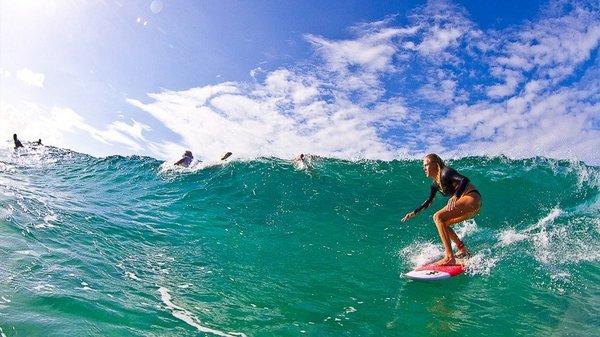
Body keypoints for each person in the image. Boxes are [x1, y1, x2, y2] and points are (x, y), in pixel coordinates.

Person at [401, 153, 482, 266]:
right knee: (444, 223)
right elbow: (429, 201)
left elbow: (464, 180)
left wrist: (455, 196)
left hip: (471, 198)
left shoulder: (446, 172)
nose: (424, 168)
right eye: (423, 166)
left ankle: (449, 257)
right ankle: (462, 249)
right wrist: (414, 212)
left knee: (437, 217)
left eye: (426, 165)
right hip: (470, 205)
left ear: (435, 164)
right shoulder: (435, 184)